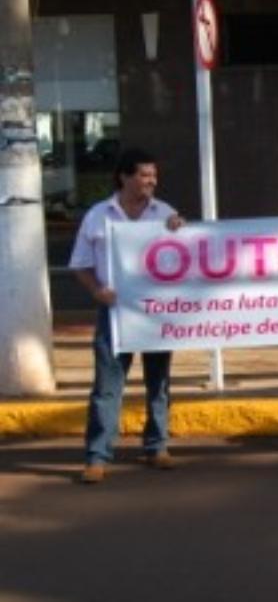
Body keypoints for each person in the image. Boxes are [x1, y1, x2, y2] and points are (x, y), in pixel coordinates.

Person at [69, 149, 184, 484]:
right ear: (125, 176)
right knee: (107, 385)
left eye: (154, 176)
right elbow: (80, 264)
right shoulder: (97, 216)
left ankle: (157, 445)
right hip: (114, 312)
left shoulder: (165, 214)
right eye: (145, 175)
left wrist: (182, 231)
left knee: (158, 380)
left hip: (156, 312)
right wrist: (96, 290)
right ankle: (97, 455)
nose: (152, 182)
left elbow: (186, 258)